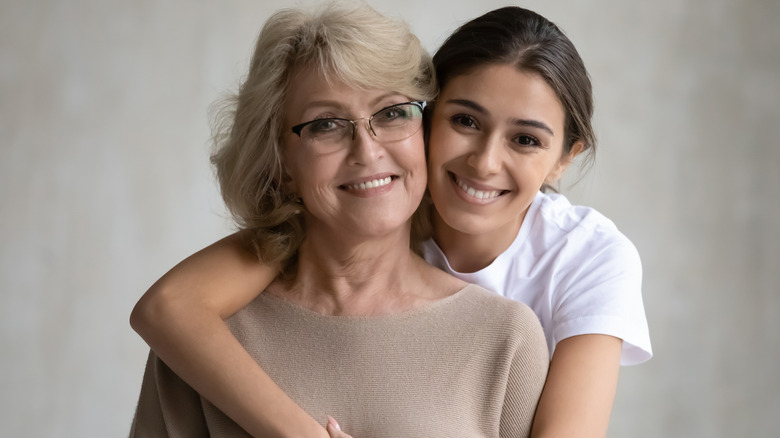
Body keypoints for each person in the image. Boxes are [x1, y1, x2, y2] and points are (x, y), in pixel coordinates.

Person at [131, 4, 652, 437]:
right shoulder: (204, 340)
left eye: (391, 113)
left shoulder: (516, 330)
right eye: (326, 125)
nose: (368, 150)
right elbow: (171, 307)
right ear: (280, 164)